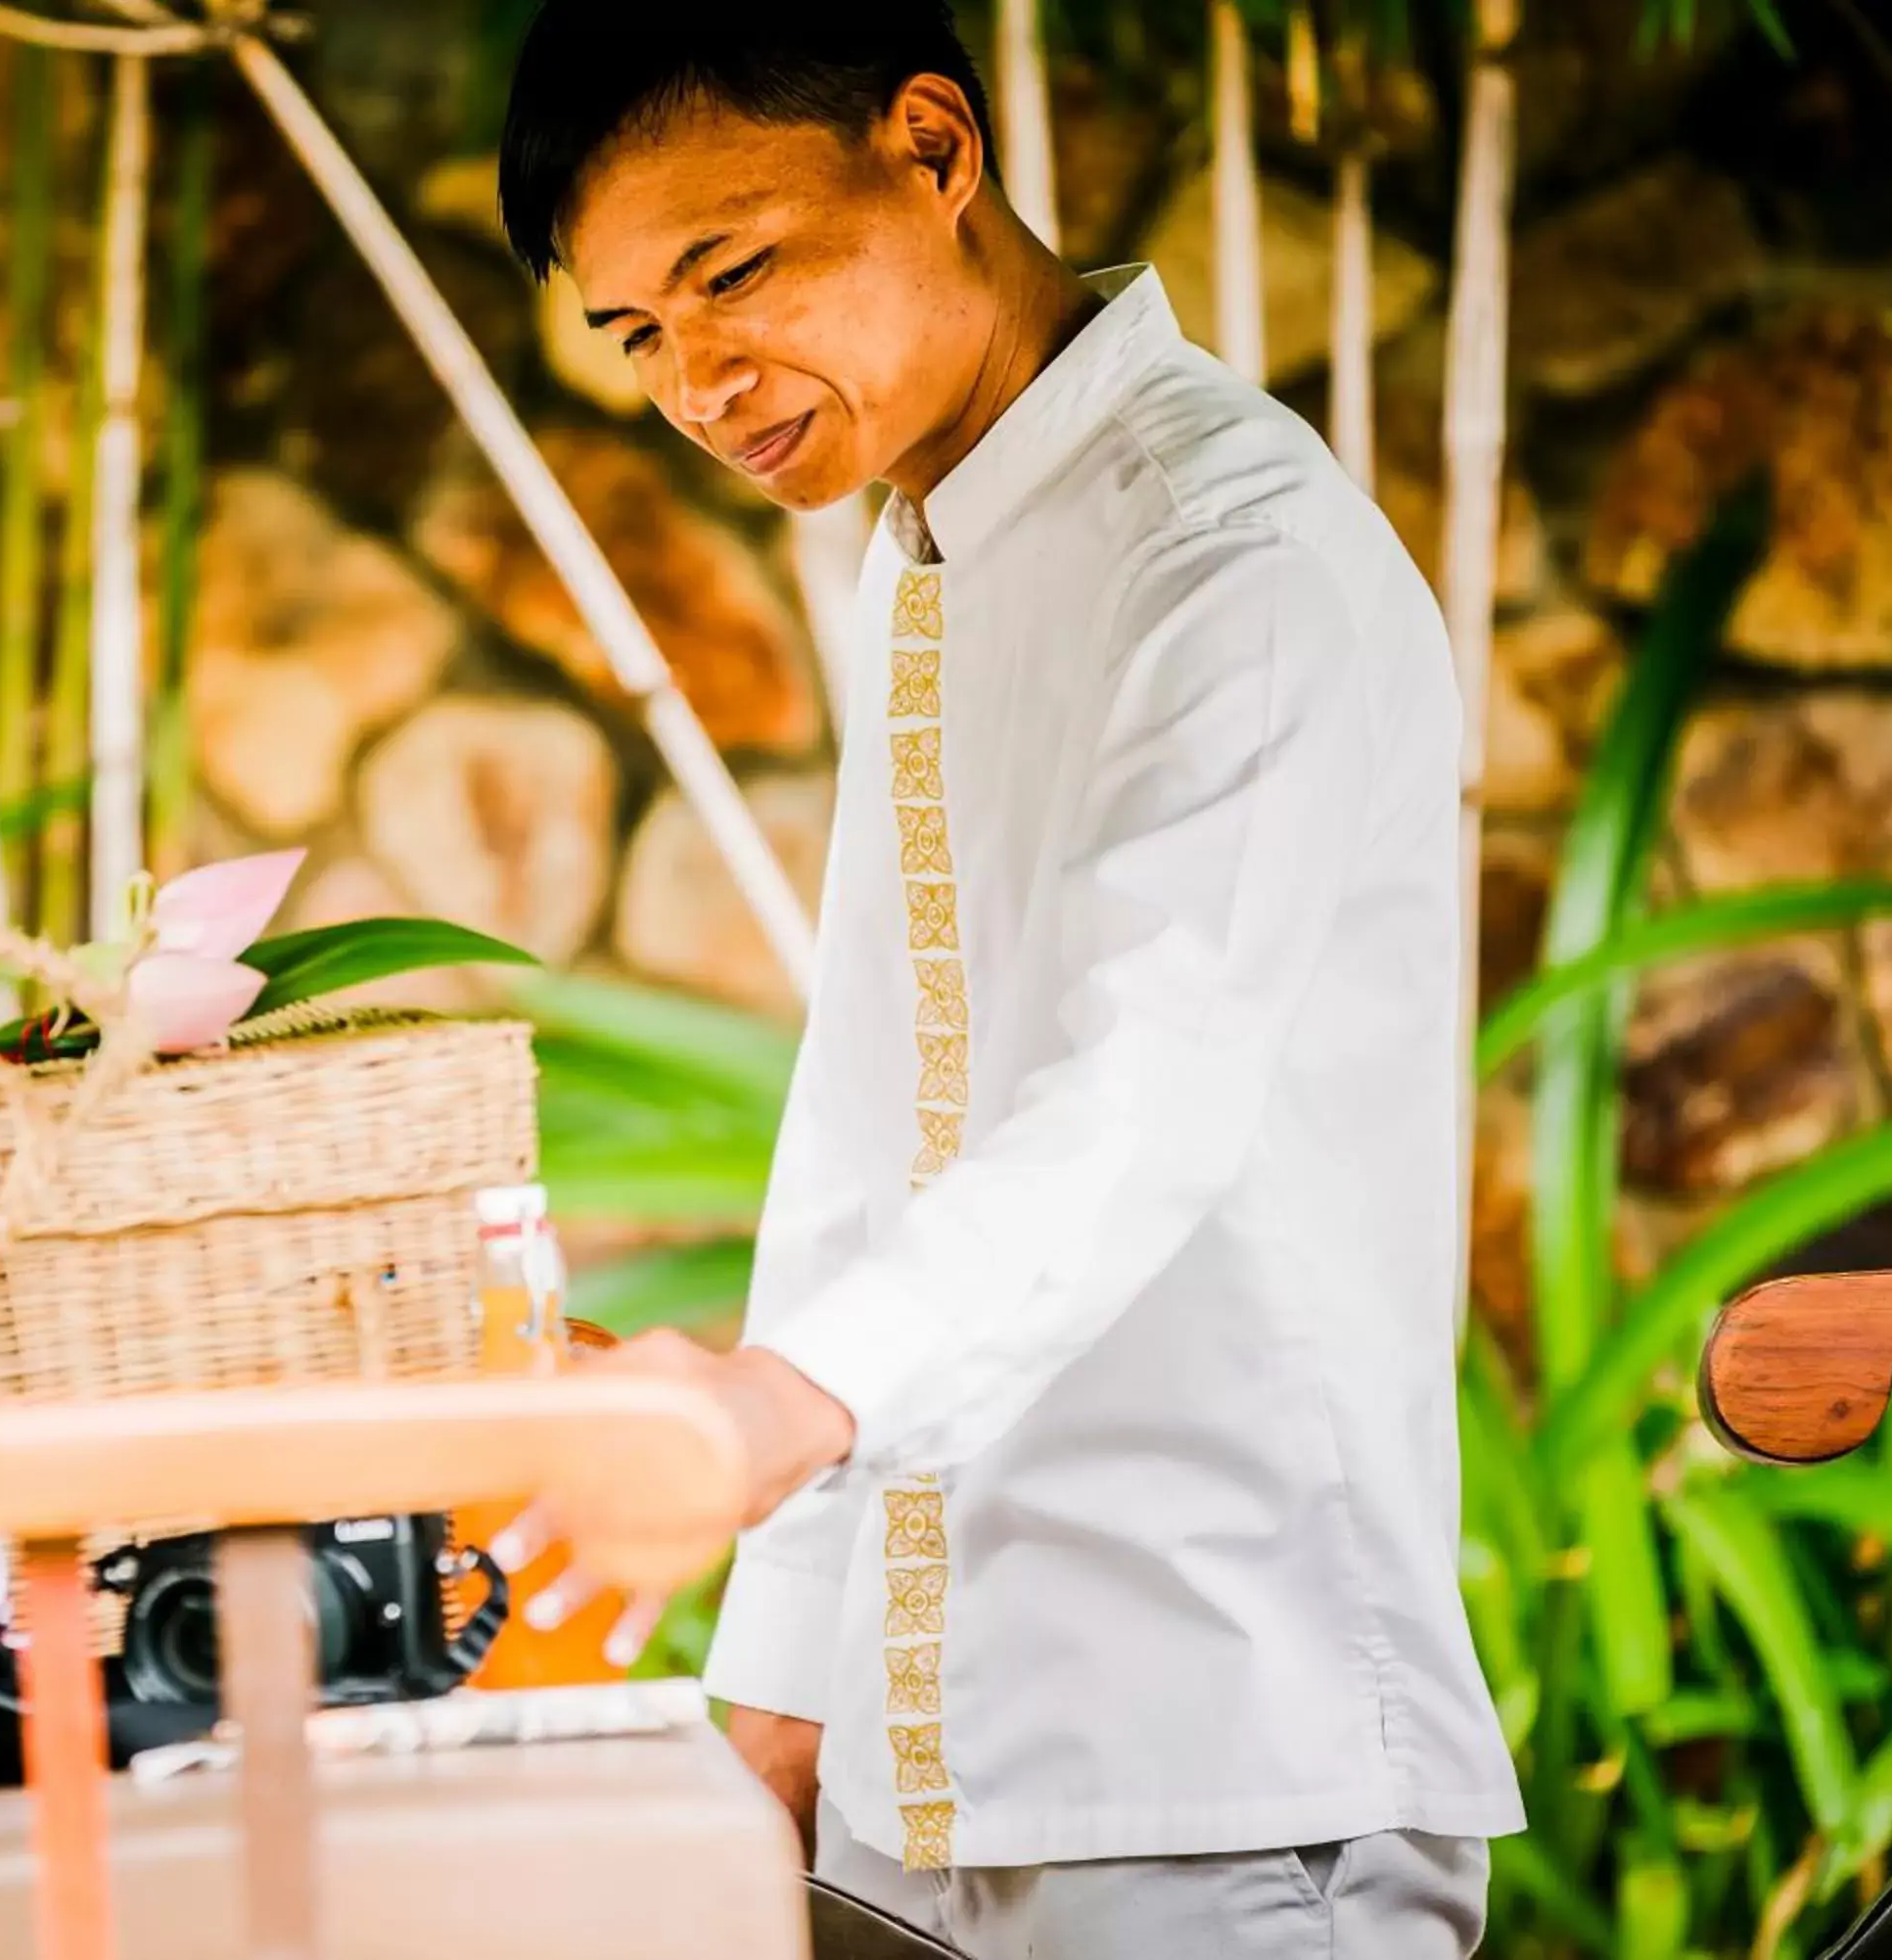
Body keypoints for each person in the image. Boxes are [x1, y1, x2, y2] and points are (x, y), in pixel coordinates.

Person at [492, 5, 1528, 1955]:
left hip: (1224, 1762)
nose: (703, 381)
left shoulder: (1236, 556)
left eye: (735, 274)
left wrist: (772, 1408)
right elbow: (873, 1113)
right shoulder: (929, 537)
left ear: (935, 149)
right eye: (640, 336)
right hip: (914, 1768)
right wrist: (791, 1672)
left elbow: (1145, 1101)